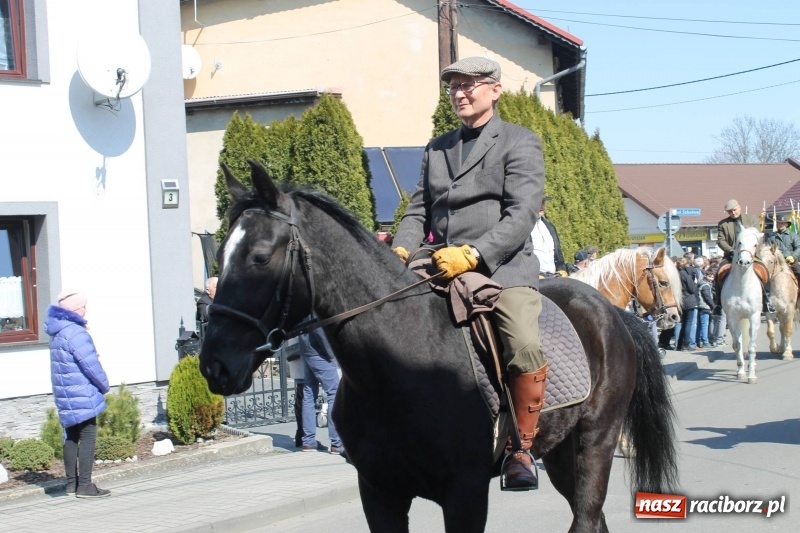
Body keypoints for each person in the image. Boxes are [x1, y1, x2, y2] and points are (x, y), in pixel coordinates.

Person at [391, 56, 546, 491]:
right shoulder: (436, 147)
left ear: (495, 90)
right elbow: (418, 208)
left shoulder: (519, 141)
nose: (460, 93)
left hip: (501, 267)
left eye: (469, 84)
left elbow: (522, 214)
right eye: (454, 86)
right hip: (436, 259)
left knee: (522, 341)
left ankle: (521, 448)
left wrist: (475, 253)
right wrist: (403, 246)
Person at [45, 290, 111, 498]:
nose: (86, 310)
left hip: (65, 393)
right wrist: (104, 385)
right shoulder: (75, 332)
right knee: (88, 436)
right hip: (81, 392)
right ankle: (85, 486)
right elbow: (90, 364)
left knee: (71, 436)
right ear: (75, 310)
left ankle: (71, 484)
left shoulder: (58, 331)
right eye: (83, 306)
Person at [714, 199, 774, 314]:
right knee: (719, 273)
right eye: (730, 212)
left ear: (739, 207)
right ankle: (718, 304)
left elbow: (758, 237)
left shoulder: (752, 219)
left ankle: (767, 301)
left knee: (765, 272)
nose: (733, 213)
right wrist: (730, 250)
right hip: (731, 256)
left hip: (750, 255)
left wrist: (751, 252)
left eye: (734, 210)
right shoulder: (723, 224)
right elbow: (720, 240)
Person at [298, 320, 344, 455]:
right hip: (320, 353)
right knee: (334, 394)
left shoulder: (303, 302)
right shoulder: (313, 302)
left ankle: (308, 441)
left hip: (307, 350)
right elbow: (319, 329)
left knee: (308, 395)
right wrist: (331, 354)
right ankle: (337, 443)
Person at [530, 195, 567, 277]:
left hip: (553, 276)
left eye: (543, 202)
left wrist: (562, 269)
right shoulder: (525, 226)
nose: (542, 206)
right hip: (534, 278)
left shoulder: (549, 225)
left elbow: (558, 250)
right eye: (538, 202)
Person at [765, 214, 800, 280]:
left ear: (786, 224)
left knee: (799, 272)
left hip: (791, 261)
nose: (780, 224)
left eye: (782, 223)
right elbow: (767, 250)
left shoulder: (793, 235)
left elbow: (799, 247)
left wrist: (793, 256)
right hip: (776, 262)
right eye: (779, 223)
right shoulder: (772, 237)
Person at [696, 264, 714, 348]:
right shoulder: (706, 285)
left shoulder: (702, 283)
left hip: (700, 306)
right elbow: (707, 297)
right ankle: (705, 341)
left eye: (712, 277)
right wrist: (713, 306)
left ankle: (698, 340)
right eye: (710, 277)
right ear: (706, 276)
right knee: (704, 325)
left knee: (700, 324)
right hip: (705, 307)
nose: (711, 279)